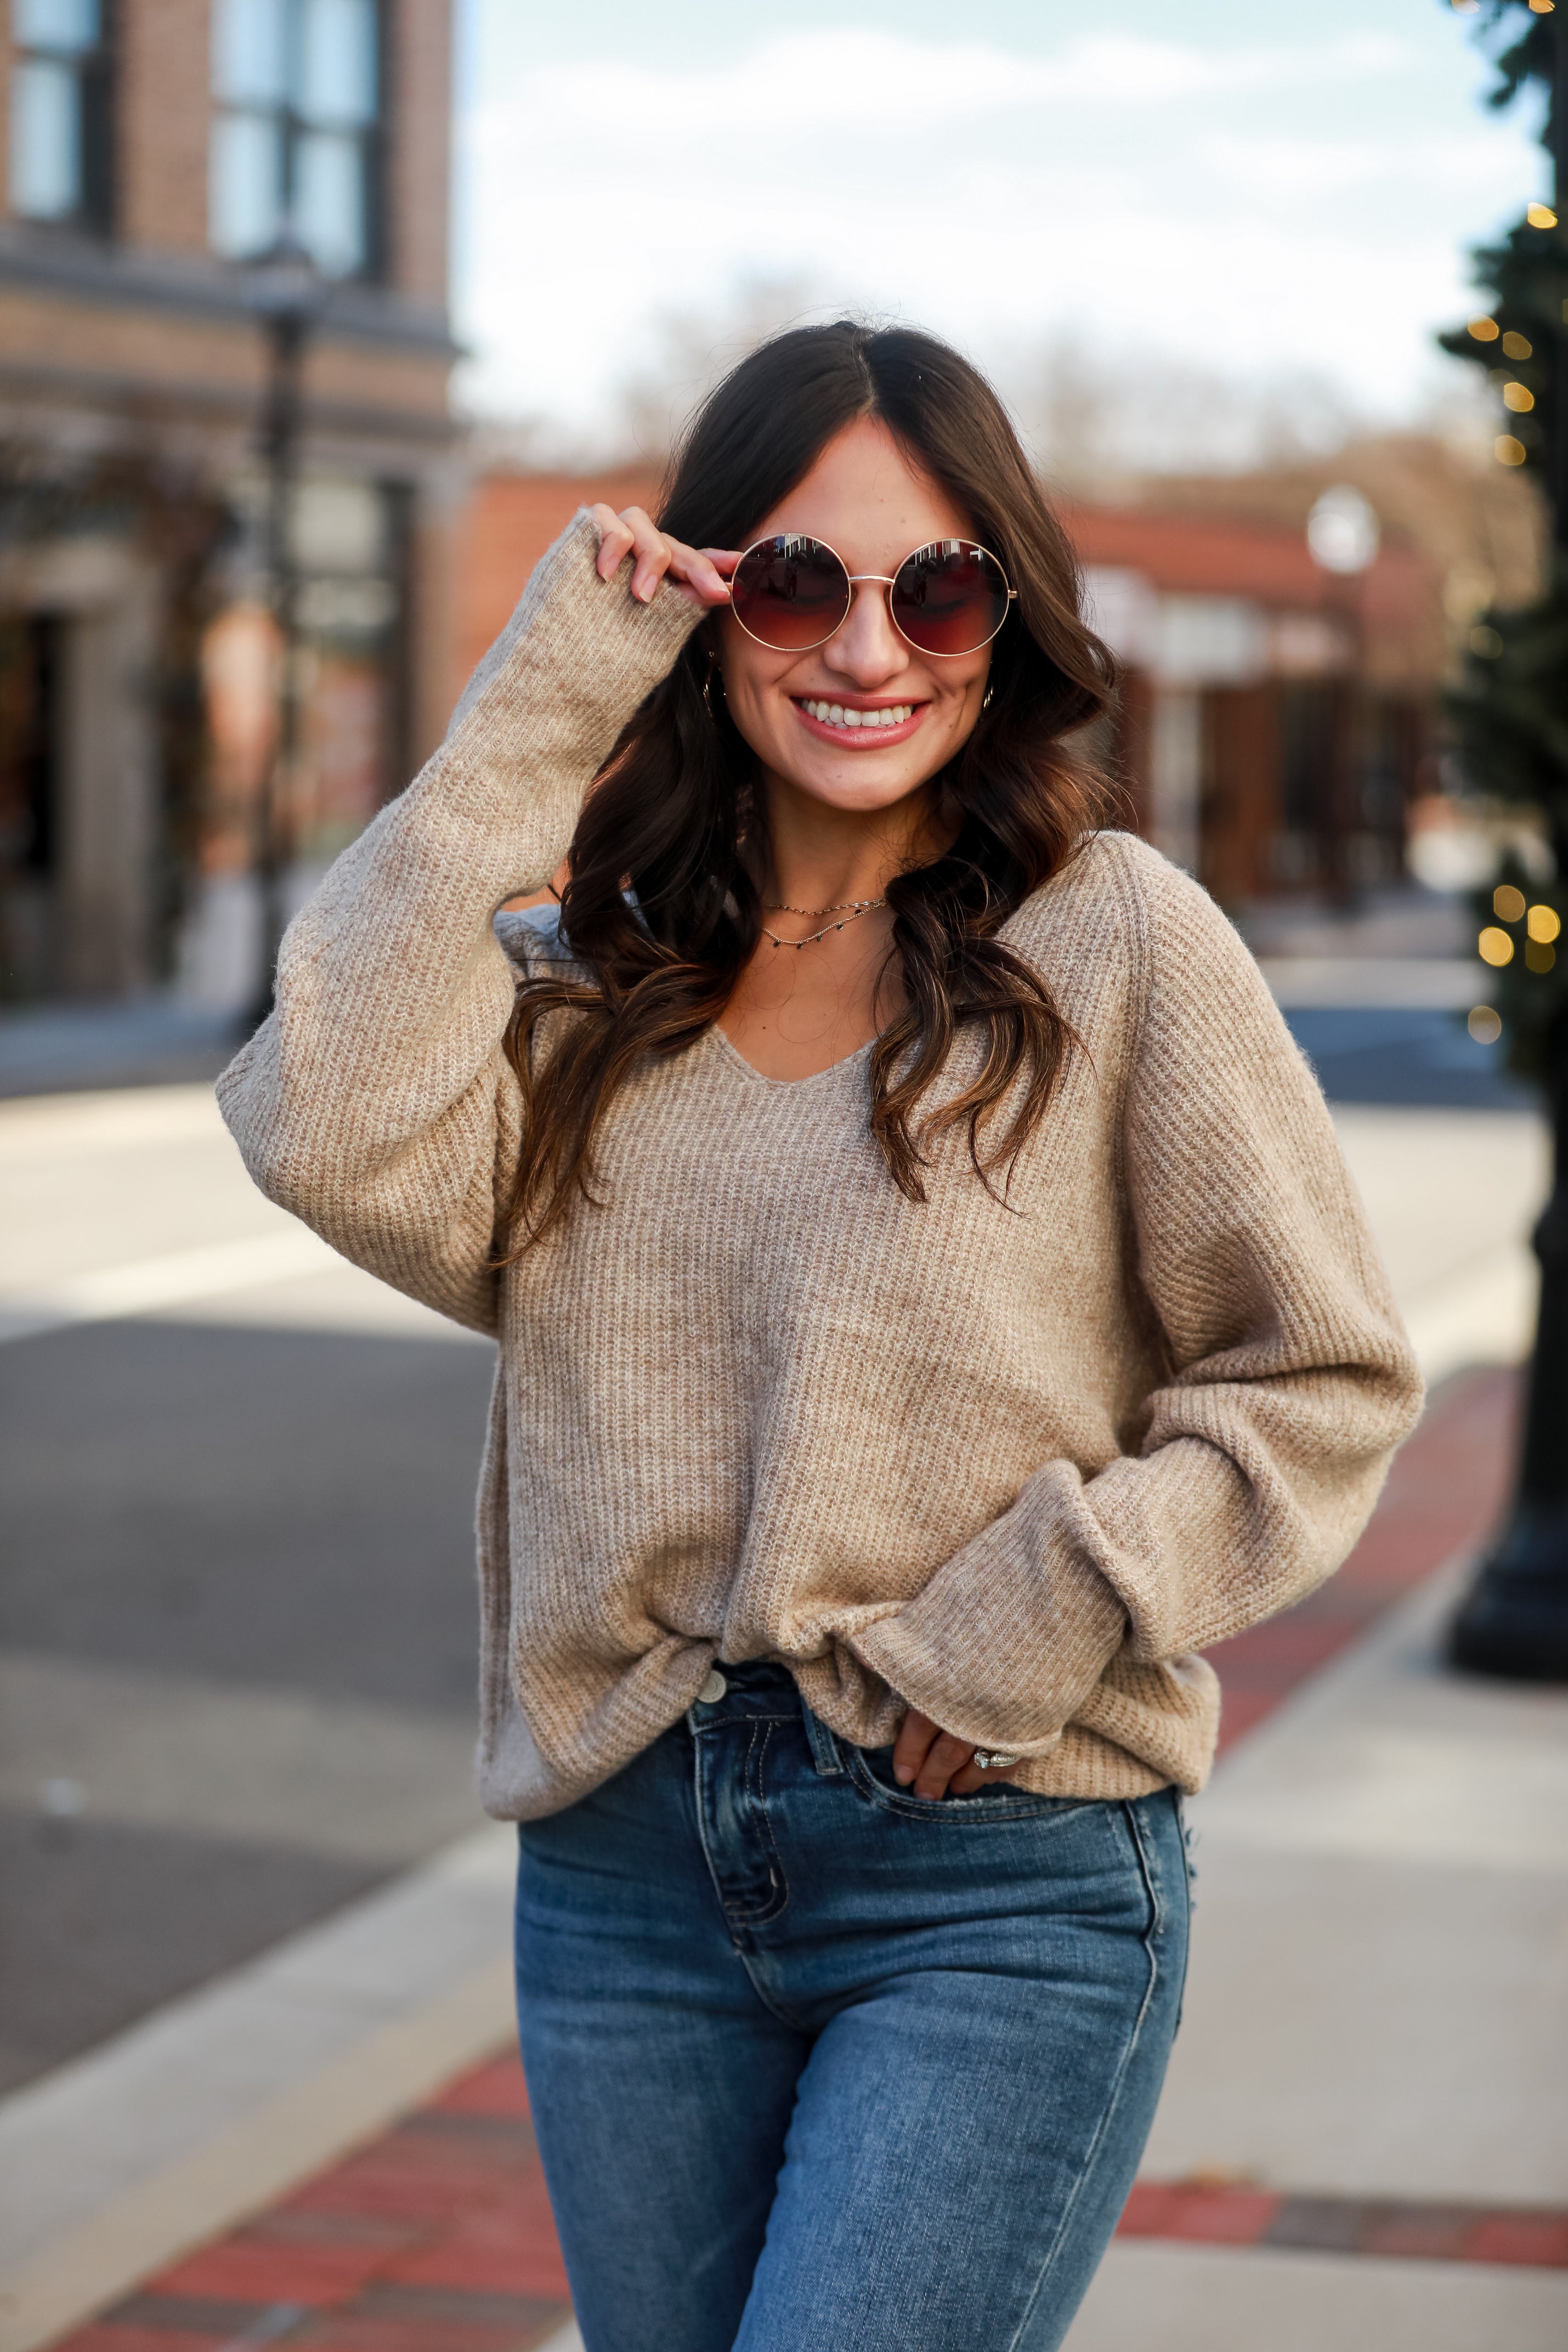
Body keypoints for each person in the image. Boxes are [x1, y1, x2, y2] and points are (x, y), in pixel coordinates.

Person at [219, 322, 1423, 2352]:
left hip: (997, 1869)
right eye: (795, 580)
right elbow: (315, 1113)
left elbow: (1320, 1374)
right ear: (705, 605)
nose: (868, 647)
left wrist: (1046, 1605)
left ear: (1001, 615)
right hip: (623, 1873)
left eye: (934, 586)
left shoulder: (1116, 939)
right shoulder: (577, 984)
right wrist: (539, 703)